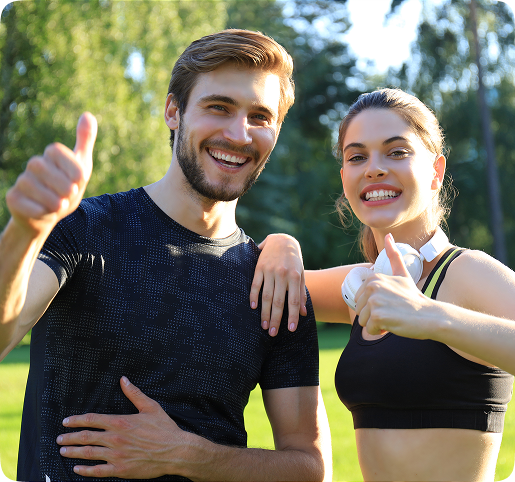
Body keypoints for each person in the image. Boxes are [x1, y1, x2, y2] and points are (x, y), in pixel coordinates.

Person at [0, 29, 332, 481]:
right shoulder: (87, 229)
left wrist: (190, 456)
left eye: (260, 116)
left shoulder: (275, 285)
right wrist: (25, 231)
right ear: (173, 111)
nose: (239, 133)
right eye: (219, 107)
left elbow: (310, 469)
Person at [253, 88, 515, 482]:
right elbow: (251, 281)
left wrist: (429, 316)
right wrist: (281, 244)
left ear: (435, 172)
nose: (373, 168)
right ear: (345, 179)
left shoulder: (467, 273)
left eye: (396, 152)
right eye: (357, 157)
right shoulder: (360, 285)